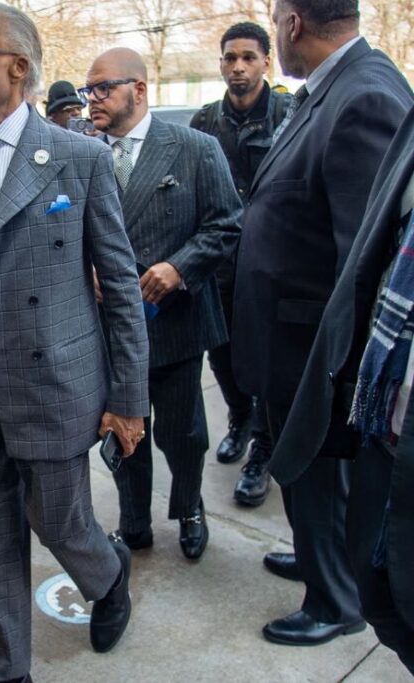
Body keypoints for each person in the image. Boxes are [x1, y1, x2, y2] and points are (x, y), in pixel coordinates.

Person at [0, 4, 150, 680]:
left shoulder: (77, 158)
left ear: (18, 67)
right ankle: (4, 669)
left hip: (52, 383)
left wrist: (128, 398)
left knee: (62, 524)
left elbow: (121, 284)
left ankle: (108, 577)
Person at [233, 0, 413, 646]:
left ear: (292, 24)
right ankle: (318, 556)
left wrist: (338, 371)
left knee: (315, 466)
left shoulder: (365, 95)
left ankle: (334, 599)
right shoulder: (331, 85)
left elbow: (364, 255)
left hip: (312, 343)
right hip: (288, 332)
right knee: (305, 475)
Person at [272, 106, 414, 674]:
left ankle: (331, 593)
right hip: (385, 414)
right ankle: (325, 567)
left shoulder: (365, 95)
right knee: (384, 594)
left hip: (346, 374)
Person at [85, 48, 241, 561]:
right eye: (90, 91)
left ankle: (189, 507)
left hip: (173, 323)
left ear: (141, 89)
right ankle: (133, 521)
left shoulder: (195, 148)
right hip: (108, 328)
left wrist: (179, 267)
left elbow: (227, 225)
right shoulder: (80, 153)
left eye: (104, 88)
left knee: (184, 431)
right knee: (123, 428)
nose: (93, 100)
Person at [189, 23, 290, 508]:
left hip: (274, 268)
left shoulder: (291, 115)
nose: (238, 67)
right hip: (220, 266)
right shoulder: (205, 122)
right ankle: (240, 419)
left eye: (248, 57)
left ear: (266, 61)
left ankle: (264, 447)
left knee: (267, 360)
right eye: (230, 58)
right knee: (222, 354)